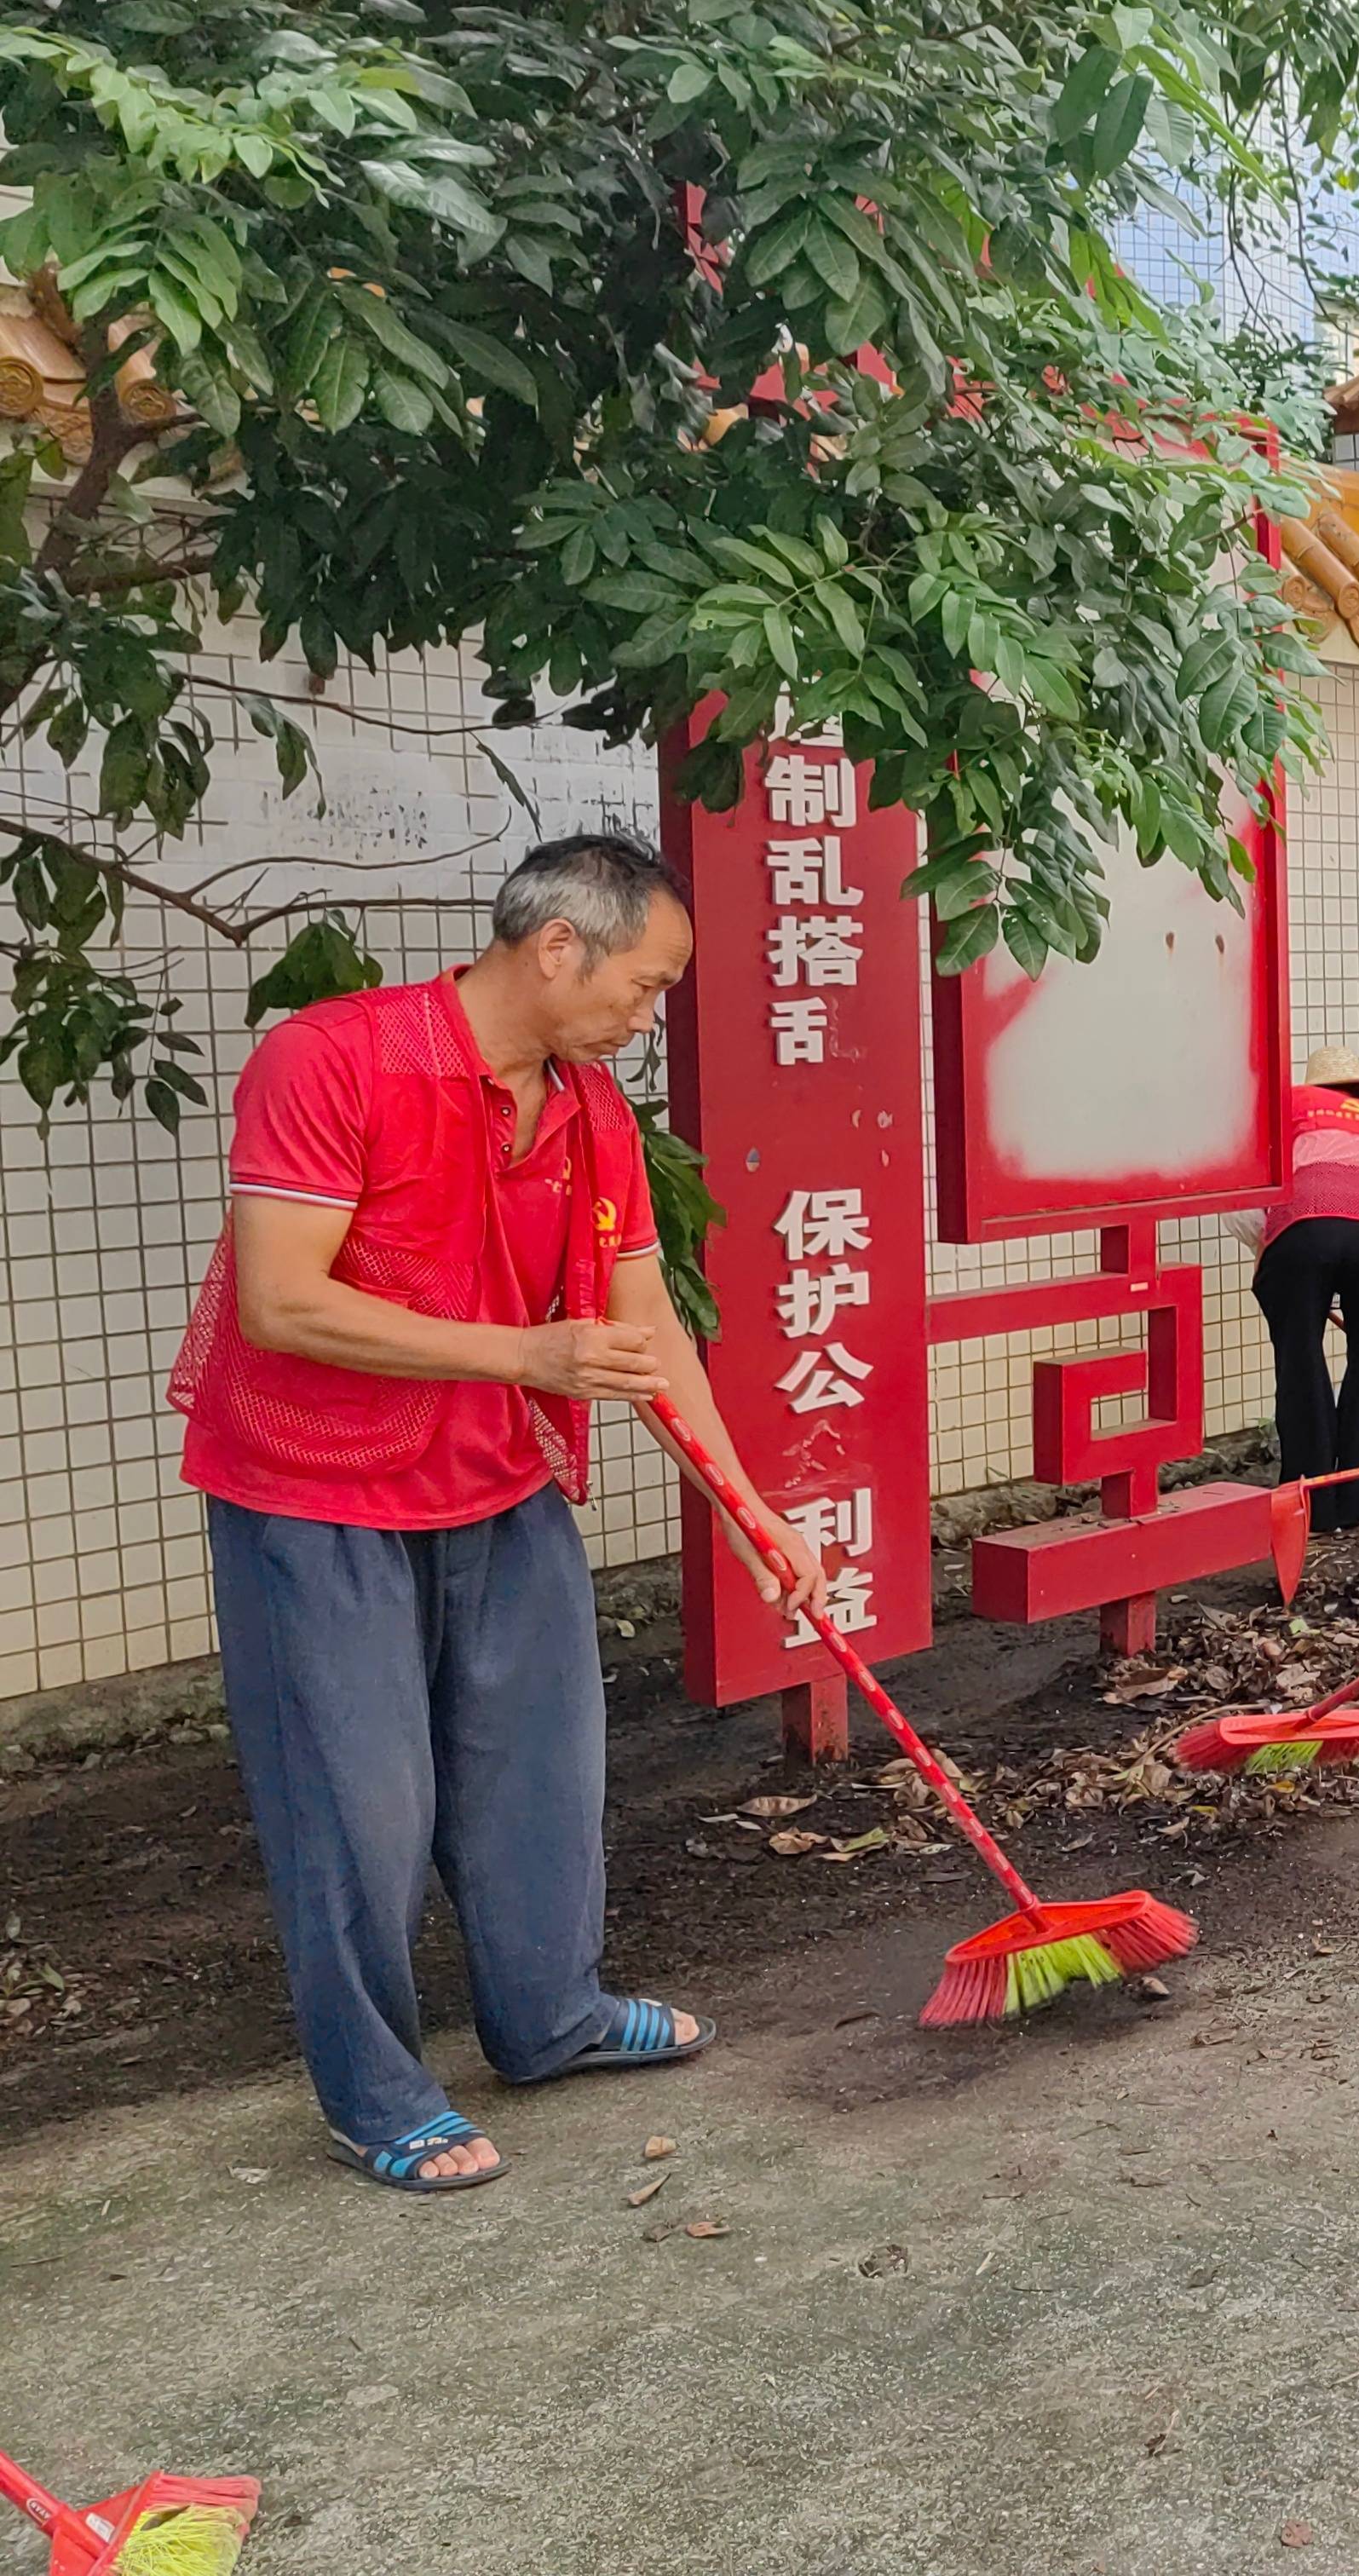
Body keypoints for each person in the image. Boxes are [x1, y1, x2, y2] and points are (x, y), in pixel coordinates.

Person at [169, 836, 822, 2195]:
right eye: (646, 987)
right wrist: (524, 1355)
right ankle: (375, 2093)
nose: (649, 1020)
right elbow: (282, 1299)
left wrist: (755, 1517)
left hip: (497, 1486)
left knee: (541, 1776)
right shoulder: (332, 1060)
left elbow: (645, 1333)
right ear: (558, 947)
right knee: (357, 1805)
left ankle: (552, 2019)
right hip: (313, 1494)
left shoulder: (591, 1115)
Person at [1251, 1046, 1359, 1531]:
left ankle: (1311, 1502)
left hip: (1305, 1229)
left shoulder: (1285, 1112)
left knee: (1300, 1357)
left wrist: (1275, 1256)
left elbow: (1246, 1205)